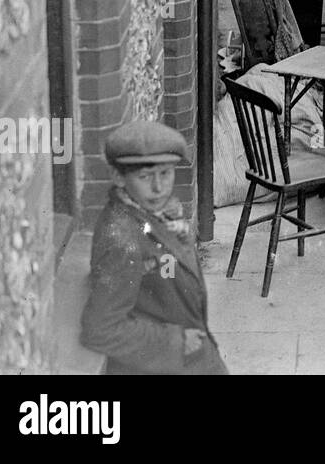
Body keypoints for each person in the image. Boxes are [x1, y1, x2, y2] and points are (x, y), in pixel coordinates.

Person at [81, 120, 228, 375]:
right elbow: (100, 329)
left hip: (190, 357)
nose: (159, 188)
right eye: (145, 177)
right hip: (165, 363)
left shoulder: (150, 210)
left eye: (166, 173)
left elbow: (165, 270)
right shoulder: (122, 239)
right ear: (118, 177)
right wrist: (177, 342)